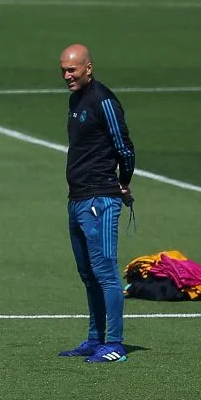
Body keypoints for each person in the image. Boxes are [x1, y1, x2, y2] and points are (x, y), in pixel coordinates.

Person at [57, 44, 136, 363]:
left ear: (88, 68)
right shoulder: (76, 99)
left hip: (100, 199)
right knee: (87, 273)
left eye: (72, 70)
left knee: (105, 271)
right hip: (77, 198)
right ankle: (95, 338)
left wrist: (124, 182)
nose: (66, 75)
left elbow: (125, 148)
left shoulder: (104, 101)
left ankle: (114, 344)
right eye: (63, 70)